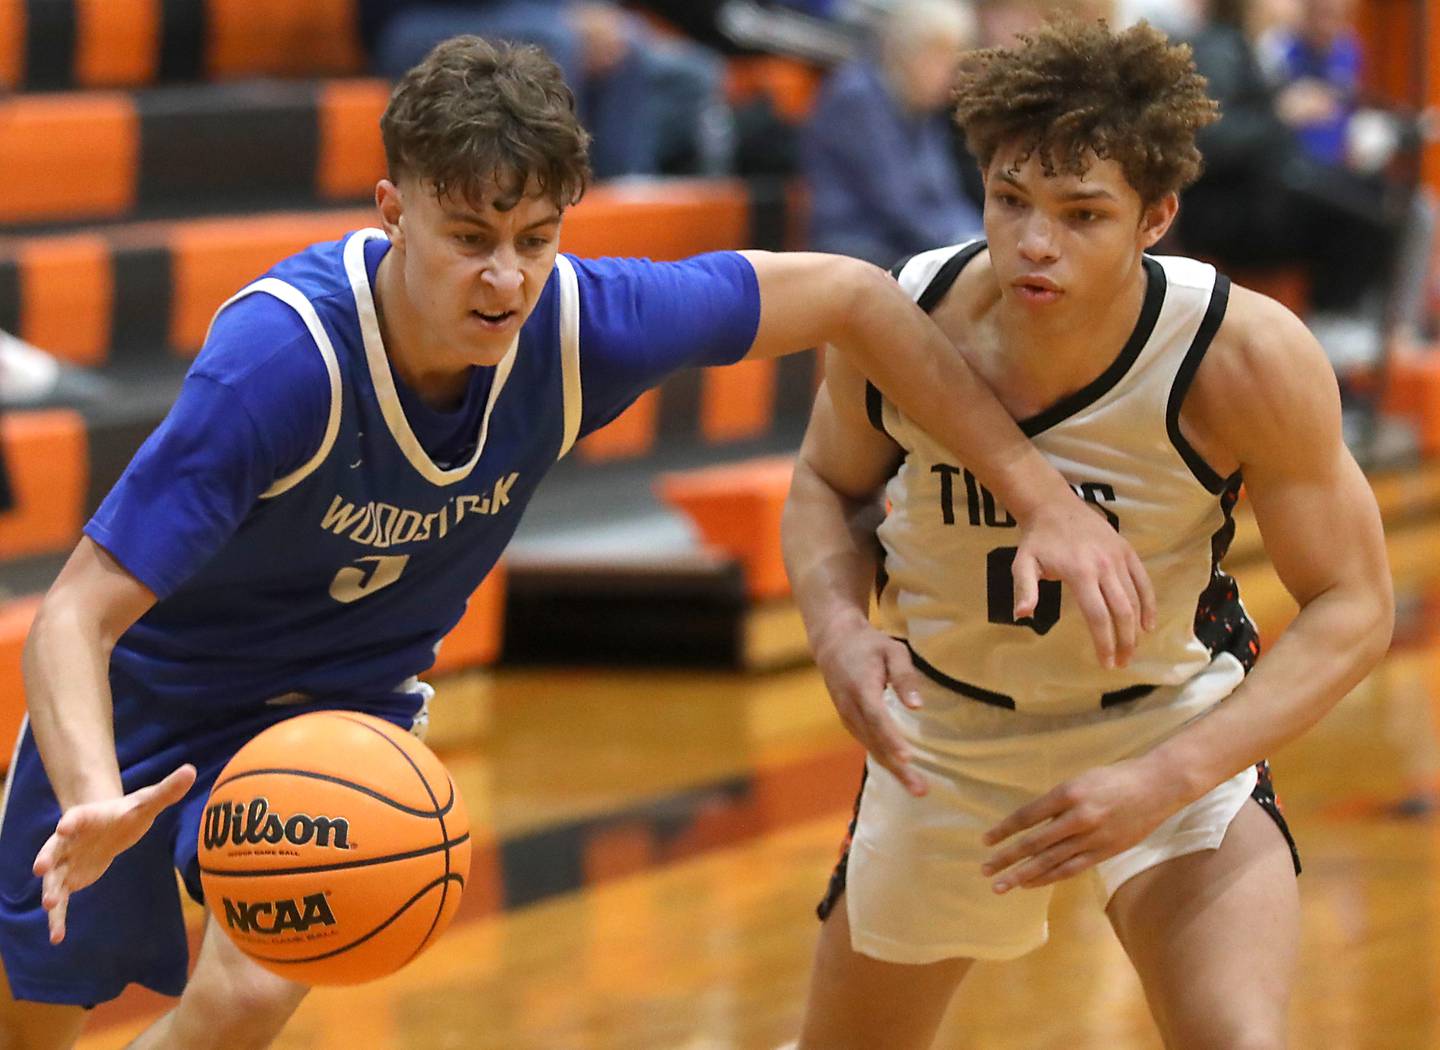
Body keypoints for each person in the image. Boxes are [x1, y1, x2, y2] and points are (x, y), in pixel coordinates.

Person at [0, 35, 1152, 1050]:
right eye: (469, 237)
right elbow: (75, 615)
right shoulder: (281, 362)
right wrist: (95, 793)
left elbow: (853, 297)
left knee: (249, 994)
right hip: (153, 697)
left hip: (339, 717)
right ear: (391, 210)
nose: (505, 278)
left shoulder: (581, 327)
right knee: (30, 1019)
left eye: (535, 238)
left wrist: (1039, 498)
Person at [782, 19, 1392, 1050]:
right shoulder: (906, 313)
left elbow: (1356, 604)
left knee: (1237, 1038)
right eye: (1010, 199)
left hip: (1164, 724)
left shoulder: (1238, 353)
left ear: (1157, 218)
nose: (1034, 242)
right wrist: (839, 630)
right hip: (948, 737)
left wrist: (1166, 778)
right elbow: (825, 486)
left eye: (1082, 214)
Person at [802, 0, 982, 267]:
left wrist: (980, 238)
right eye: (939, 60)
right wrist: (963, 247)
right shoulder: (857, 98)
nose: (950, 77)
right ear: (907, 52)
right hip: (856, 248)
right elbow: (898, 205)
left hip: (907, 244)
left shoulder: (919, 104)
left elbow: (943, 193)